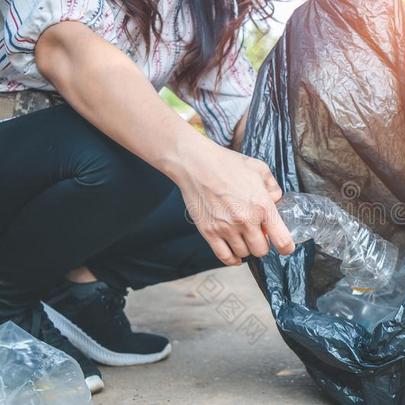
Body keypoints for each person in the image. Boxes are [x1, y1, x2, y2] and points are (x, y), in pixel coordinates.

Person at [0, 0, 295, 394]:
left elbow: (247, 117)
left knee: (270, 204)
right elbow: (65, 50)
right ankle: (8, 305)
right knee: (138, 151)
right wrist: (200, 165)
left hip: (56, 190)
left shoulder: (199, 13)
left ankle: (77, 292)